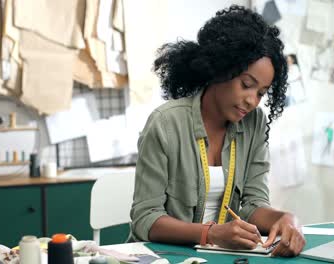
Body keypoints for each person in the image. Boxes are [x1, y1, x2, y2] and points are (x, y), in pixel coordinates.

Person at [128, 5, 306, 257]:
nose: (252, 100)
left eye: (261, 93)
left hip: (221, 256)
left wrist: (288, 218)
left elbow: (253, 204)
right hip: (162, 256)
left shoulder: (253, 122)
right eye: (246, 84)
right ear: (221, 67)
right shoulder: (165, 123)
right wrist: (211, 234)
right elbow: (146, 219)